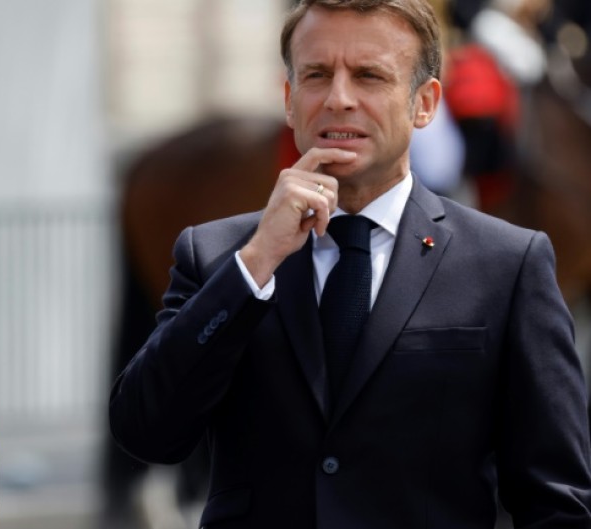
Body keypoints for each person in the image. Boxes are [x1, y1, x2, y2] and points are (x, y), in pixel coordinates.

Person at [108, 0, 591, 527]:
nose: (339, 98)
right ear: (290, 100)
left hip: (476, 57)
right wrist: (253, 265)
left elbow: (555, 501)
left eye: (369, 76)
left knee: (466, 153)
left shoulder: (508, 265)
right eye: (317, 75)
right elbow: (144, 431)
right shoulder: (217, 254)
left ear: (423, 103)